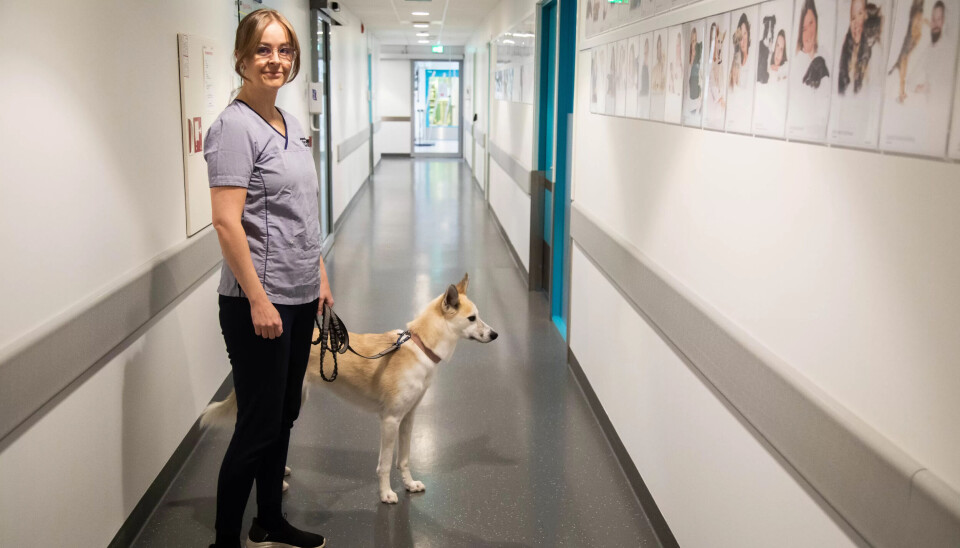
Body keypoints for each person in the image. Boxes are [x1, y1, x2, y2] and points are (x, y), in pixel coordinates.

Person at [204, 8, 333, 548]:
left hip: (300, 293)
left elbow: (301, 209)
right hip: (260, 302)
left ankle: (269, 520)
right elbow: (226, 221)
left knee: (284, 414)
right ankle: (225, 541)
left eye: (284, 50)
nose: (275, 60)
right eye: (263, 49)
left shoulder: (290, 122)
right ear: (241, 58)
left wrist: (320, 273)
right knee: (256, 427)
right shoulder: (233, 128)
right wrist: (259, 300)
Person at [838, 0, 884, 95]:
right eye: (853, 18)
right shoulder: (846, 52)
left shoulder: (875, 52)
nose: (856, 23)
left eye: (860, 14)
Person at [796, 0, 830, 88]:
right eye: (804, 29)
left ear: (816, 23)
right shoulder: (798, 61)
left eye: (811, 23)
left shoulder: (825, 55)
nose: (808, 33)